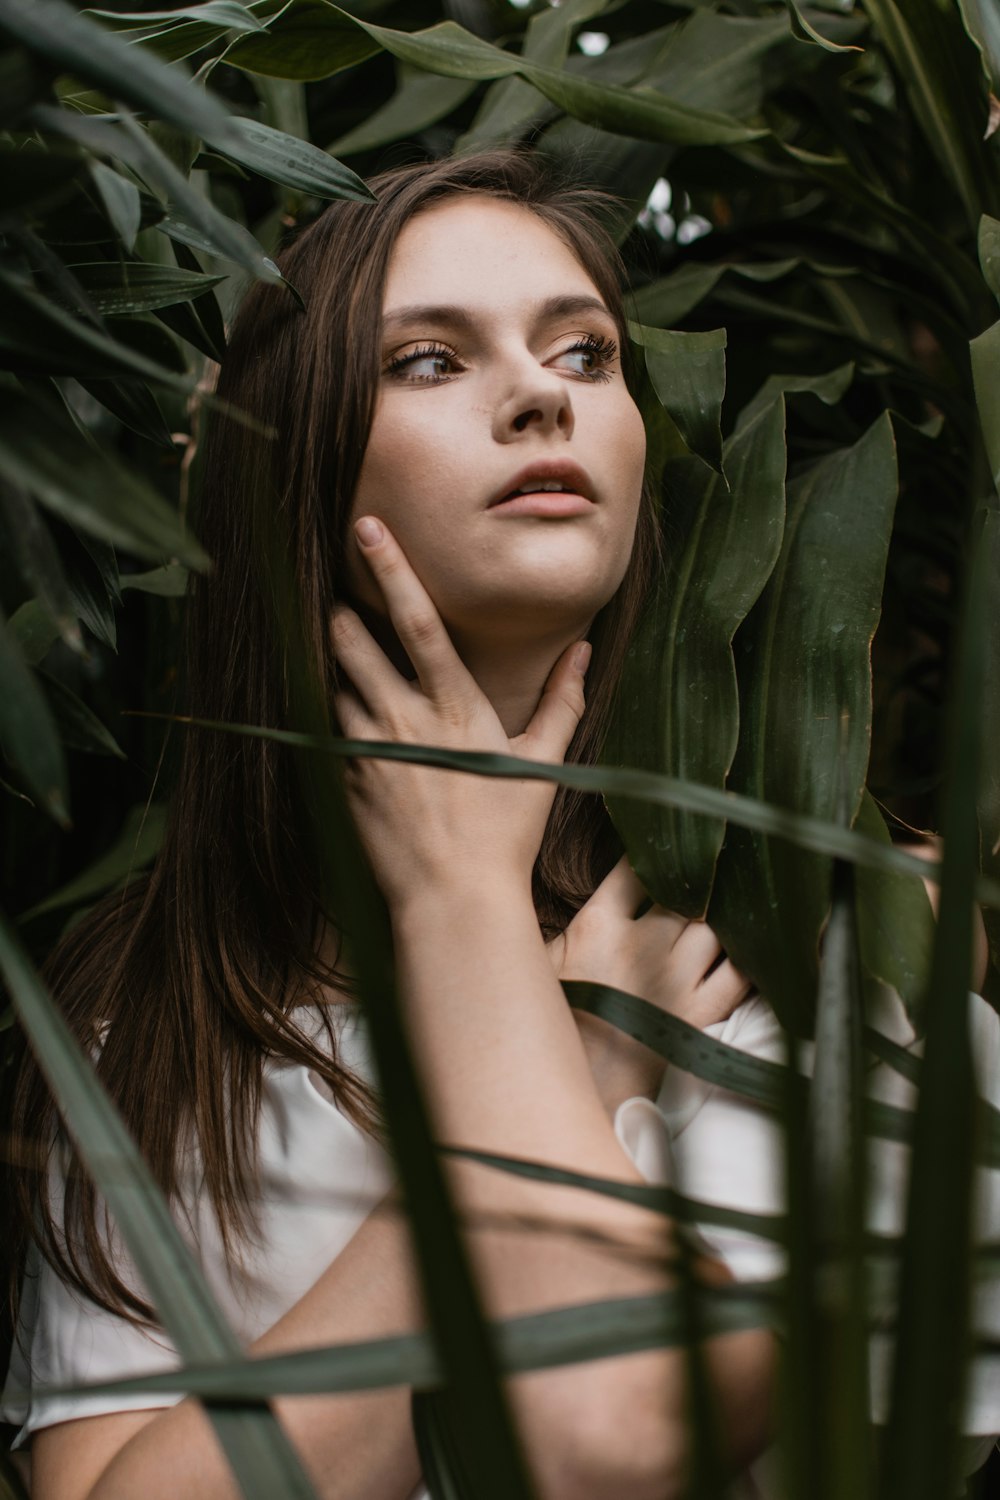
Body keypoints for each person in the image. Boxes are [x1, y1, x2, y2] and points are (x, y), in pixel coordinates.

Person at [1, 149, 995, 1500]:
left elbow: (615, 1432)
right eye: (427, 360)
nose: (541, 393)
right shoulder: (157, 1015)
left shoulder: (791, 934)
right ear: (287, 464)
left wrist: (468, 895)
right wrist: (558, 1067)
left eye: (586, 355)